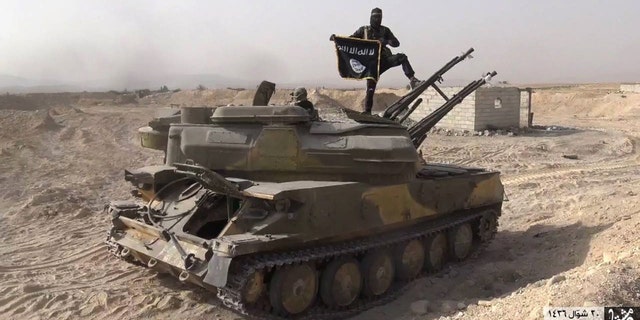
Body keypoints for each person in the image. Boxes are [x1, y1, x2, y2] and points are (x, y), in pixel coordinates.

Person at [334, 7, 421, 114]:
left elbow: (396, 43)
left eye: (379, 17)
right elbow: (350, 40)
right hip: (371, 65)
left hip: (385, 60)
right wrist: (337, 39)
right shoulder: (364, 30)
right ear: (371, 17)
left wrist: (387, 41)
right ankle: (367, 112)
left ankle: (412, 78)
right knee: (370, 88)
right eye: (375, 17)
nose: (377, 19)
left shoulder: (385, 30)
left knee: (402, 57)